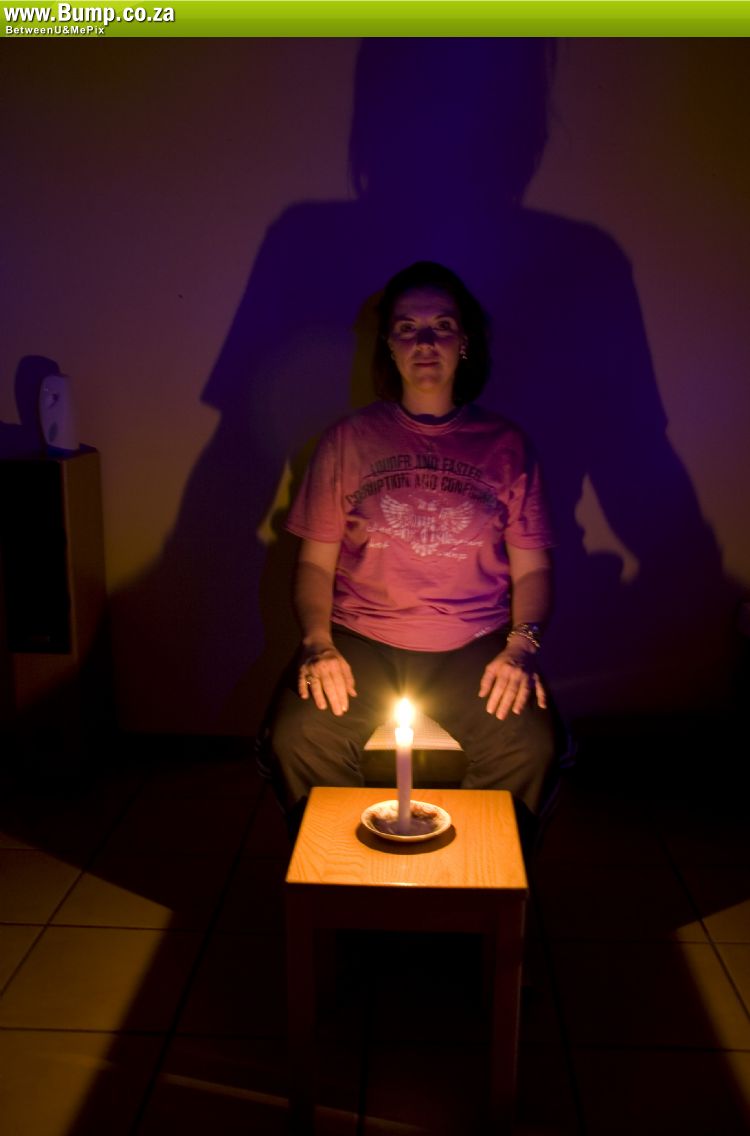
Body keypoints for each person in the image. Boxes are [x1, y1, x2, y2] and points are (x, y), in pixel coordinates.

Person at [262, 261, 561, 854]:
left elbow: (534, 568)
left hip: (475, 645)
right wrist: (318, 642)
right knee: (299, 737)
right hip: (361, 641)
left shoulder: (507, 446)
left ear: (464, 341)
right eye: (407, 328)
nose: (425, 341)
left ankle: (481, 878)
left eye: (441, 326)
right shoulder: (347, 441)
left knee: (530, 745)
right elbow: (315, 563)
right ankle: (341, 877)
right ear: (389, 345)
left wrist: (520, 647)